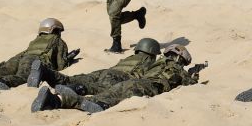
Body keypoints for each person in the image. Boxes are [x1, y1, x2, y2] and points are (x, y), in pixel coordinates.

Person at [31, 44, 201, 113]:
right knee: (104, 98)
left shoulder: (157, 63)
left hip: (132, 80)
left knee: (91, 85)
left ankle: (57, 98)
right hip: (148, 86)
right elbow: (190, 84)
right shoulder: (178, 70)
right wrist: (194, 75)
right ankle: (62, 100)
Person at [27, 37, 161, 96]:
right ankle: (75, 89)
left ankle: (46, 72)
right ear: (153, 52)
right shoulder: (150, 61)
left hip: (105, 71)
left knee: (72, 79)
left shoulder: (130, 58)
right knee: (98, 88)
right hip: (120, 77)